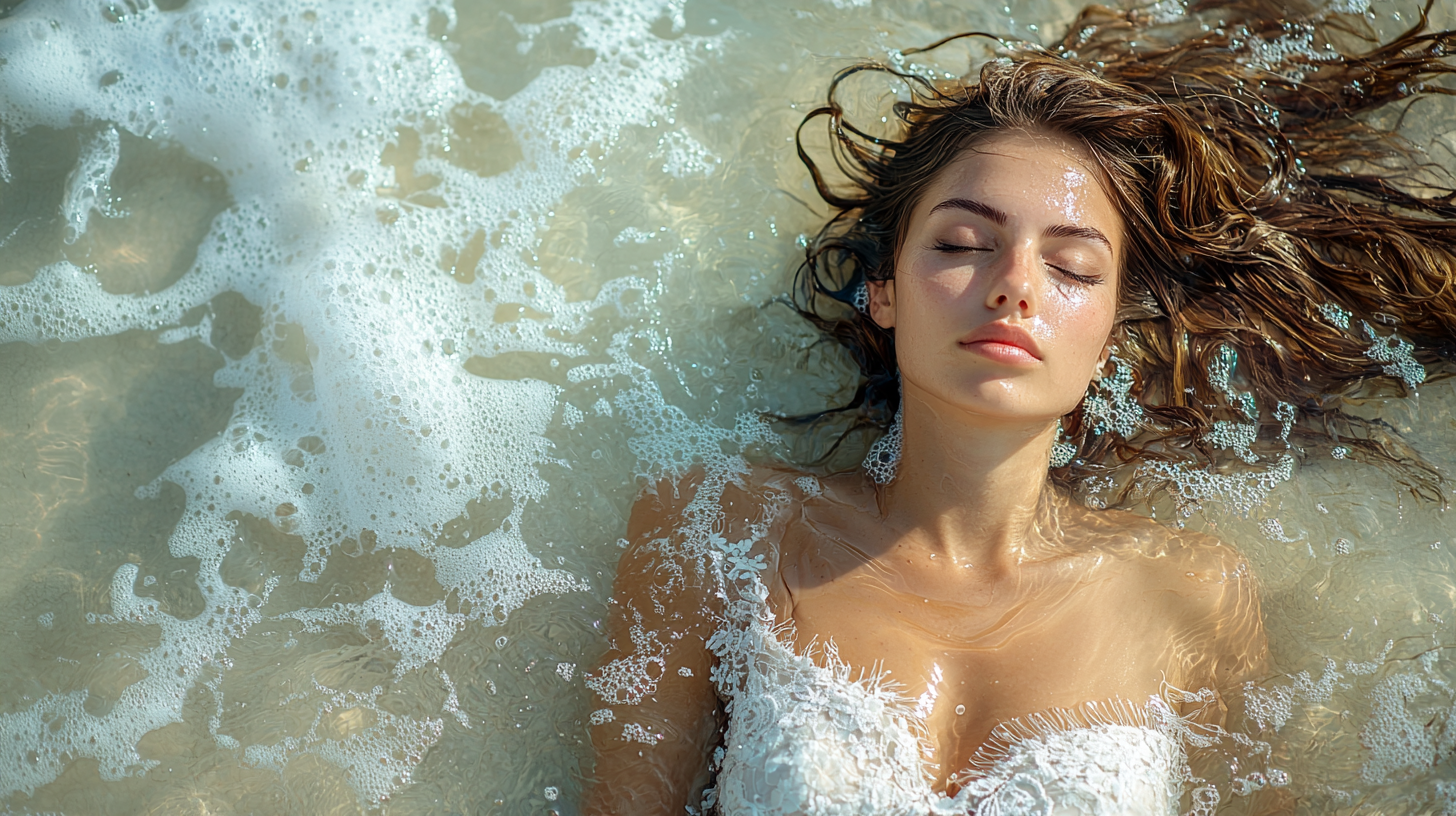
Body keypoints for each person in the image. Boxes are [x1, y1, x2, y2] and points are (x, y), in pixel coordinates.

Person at [582, 2, 1456, 813]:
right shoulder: (715, 529)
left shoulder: (1189, 590)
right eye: (965, 244)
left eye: (1072, 267)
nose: (1014, 288)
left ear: (1109, 332)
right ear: (883, 291)